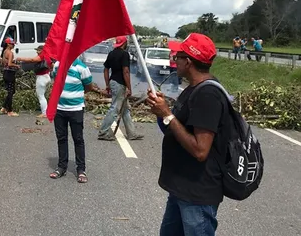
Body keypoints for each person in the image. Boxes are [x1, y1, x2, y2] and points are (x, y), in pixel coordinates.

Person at [145, 33, 228, 236]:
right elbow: (175, 131)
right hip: (181, 188)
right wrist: (161, 113)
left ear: (188, 61)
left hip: (196, 195)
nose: (174, 60)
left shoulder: (207, 95)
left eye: (178, 56)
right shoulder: (192, 89)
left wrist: (167, 114)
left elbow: (200, 150)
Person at [49, 57, 93, 184]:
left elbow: (88, 86)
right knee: (61, 138)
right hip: (59, 108)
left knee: (78, 139)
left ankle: (81, 170)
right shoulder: (58, 65)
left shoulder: (82, 68)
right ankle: (62, 167)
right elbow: (55, 81)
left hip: (76, 108)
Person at [98, 36, 144, 141]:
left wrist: (107, 84)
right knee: (115, 108)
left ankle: (131, 133)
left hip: (113, 82)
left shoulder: (111, 53)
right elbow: (126, 71)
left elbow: (105, 70)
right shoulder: (124, 54)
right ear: (125, 43)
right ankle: (103, 132)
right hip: (120, 84)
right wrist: (129, 87)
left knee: (125, 109)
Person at [16, 45, 52, 118]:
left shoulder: (42, 55)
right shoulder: (48, 56)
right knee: (44, 95)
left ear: (42, 50)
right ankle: (47, 110)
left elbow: (32, 60)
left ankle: (44, 112)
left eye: (38, 50)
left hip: (42, 77)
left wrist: (21, 59)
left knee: (41, 96)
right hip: (47, 76)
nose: (37, 52)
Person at [1, 37, 19, 116]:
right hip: (10, 73)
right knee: (11, 92)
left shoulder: (5, 51)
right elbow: (9, 64)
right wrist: (16, 65)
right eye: (12, 44)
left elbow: (4, 62)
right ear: (8, 44)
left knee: (10, 91)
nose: (13, 45)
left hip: (5, 72)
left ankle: (4, 107)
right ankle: (10, 111)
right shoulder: (10, 53)